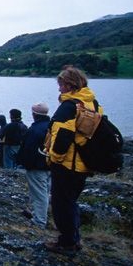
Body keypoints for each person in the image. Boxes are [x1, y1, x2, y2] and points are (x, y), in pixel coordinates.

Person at [44, 66, 99, 253]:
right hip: (84, 163)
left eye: (61, 85)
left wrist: (54, 158)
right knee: (71, 201)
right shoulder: (93, 103)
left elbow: (63, 136)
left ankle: (67, 242)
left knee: (61, 203)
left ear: (69, 84)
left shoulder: (69, 106)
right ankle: (73, 238)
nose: (59, 89)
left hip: (67, 164)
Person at [16, 102, 51, 228]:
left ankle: (40, 221)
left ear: (34, 114)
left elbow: (28, 149)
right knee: (45, 192)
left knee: (39, 194)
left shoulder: (35, 129)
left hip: (37, 166)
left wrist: (24, 163)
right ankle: (40, 215)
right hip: (49, 164)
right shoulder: (51, 126)